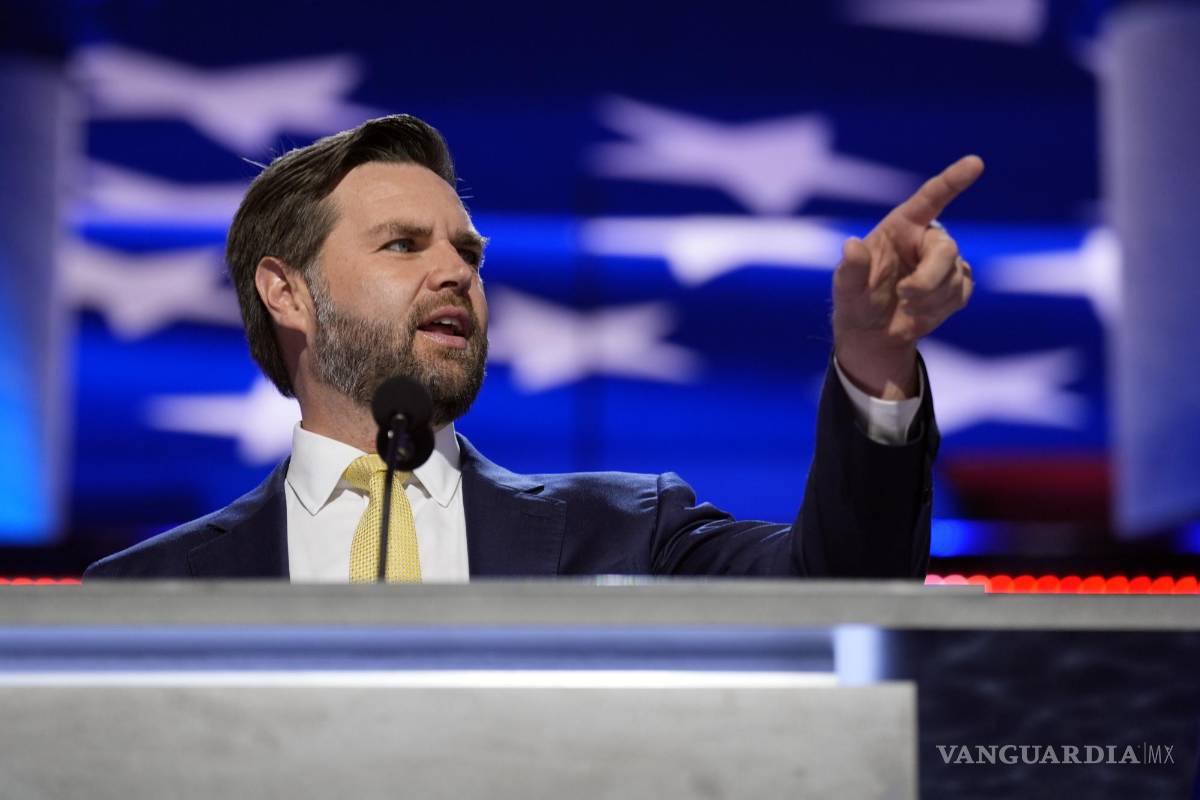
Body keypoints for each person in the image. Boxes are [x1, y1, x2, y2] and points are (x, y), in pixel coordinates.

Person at [84, 114, 981, 581]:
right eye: (404, 245)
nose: (457, 273)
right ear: (287, 294)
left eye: (467, 252)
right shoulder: (149, 590)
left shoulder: (630, 535)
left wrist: (873, 364)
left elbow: (848, 588)